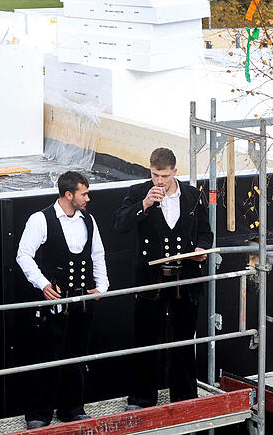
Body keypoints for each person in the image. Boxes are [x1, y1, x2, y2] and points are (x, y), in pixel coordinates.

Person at [113, 148, 213, 410]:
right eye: (155, 174)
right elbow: (119, 225)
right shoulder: (138, 193)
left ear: (174, 172)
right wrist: (144, 204)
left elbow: (206, 232)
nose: (159, 181)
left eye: (164, 176)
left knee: (183, 340)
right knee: (146, 340)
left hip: (185, 280)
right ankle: (141, 399)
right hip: (151, 281)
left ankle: (185, 397)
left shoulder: (192, 195)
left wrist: (201, 250)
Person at [16, 171, 109, 429]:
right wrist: (43, 284)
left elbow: (97, 255)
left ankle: (72, 409)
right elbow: (23, 255)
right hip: (56, 302)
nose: (88, 198)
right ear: (69, 195)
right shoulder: (41, 219)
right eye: (84, 193)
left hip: (82, 301)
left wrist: (102, 286)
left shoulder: (88, 220)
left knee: (77, 355)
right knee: (49, 355)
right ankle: (39, 414)